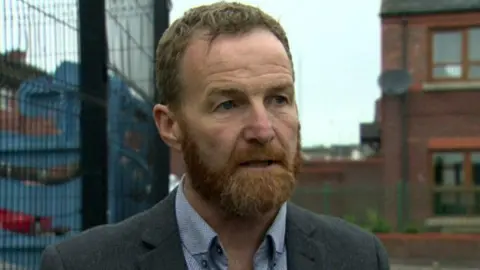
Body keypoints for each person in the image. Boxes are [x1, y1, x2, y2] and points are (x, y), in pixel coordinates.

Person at [39, 2, 389, 269]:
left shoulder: (358, 258)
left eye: (278, 99)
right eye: (227, 104)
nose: (263, 129)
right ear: (170, 126)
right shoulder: (83, 265)